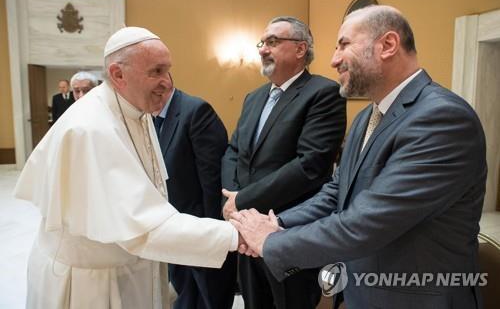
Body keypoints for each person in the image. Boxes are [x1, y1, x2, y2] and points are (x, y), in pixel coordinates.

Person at [231, 5, 487, 309]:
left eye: (343, 44)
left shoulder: (442, 118)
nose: (333, 59)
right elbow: (337, 192)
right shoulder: (368, 115)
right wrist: (276, 221)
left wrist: (270, 241)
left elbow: (366, 222)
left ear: (388, 45)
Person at [15, 27, 240, 309]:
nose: (166, 81)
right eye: (155, 71)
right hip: (91, 283)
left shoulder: (134, 109)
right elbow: (143, 226)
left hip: (127, 268)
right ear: (118, 74)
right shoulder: (92, 129)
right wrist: (236, 235)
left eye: (167, 70)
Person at [221, 16, 346, 309]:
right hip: (245, 230)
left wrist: (242, 200)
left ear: (301, 49)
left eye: (273, 42)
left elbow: (309, 165)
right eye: (262, 43)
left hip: (288, 229)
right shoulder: (254, 97)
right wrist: (231, 198)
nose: (263, 49)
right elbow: (233, 151)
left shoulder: (323, 93)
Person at [153, 72, 236, 309]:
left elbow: (212, 181)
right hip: (173, 230)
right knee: (183, 298)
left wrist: (210, 235)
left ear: (163, 83)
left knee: (208, 300)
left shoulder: (195, 111)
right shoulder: (149, 117)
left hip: (201, 232)